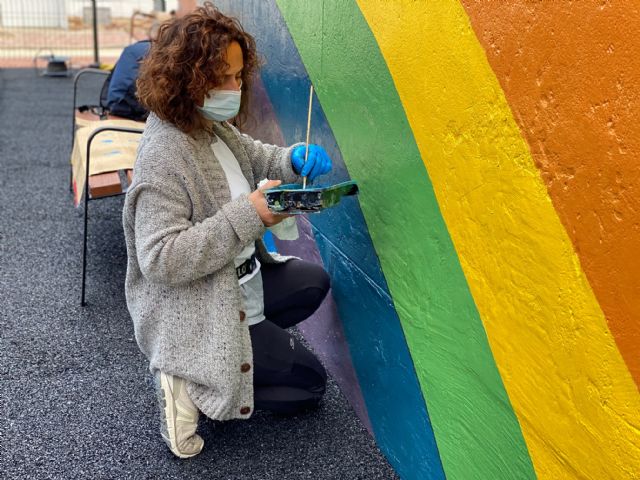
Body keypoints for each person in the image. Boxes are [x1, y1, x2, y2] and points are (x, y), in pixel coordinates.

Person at [122, 2, 333, 459]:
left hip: (240, 278)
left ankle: (238, 353)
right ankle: (188, 376)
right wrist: (250, 215)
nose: (234, 88)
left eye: (238, 76)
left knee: (312, 282)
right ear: (187, 77)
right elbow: (159, 259)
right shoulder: (163, 154)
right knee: (309, 387)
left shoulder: (207, 123)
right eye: (223, 77)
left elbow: (255, 156)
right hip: (199, 303)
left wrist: (293, 157)